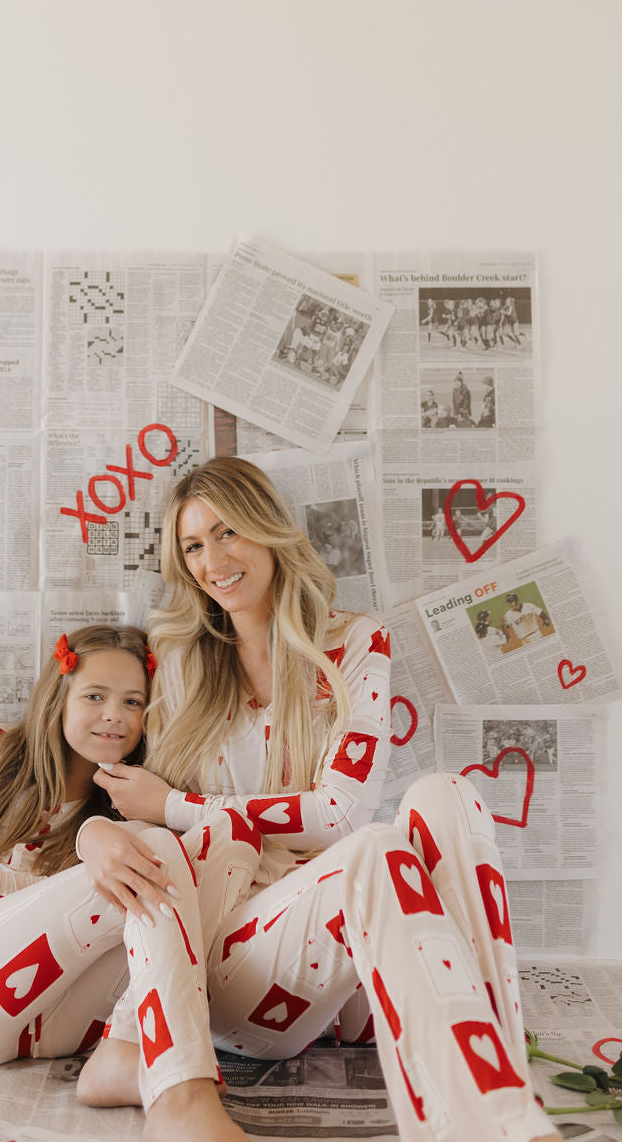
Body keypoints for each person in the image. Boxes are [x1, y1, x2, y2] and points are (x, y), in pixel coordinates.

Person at [76, 459, 560, 1142]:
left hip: (342, 960)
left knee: (444, 795)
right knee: (372, 853)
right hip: (235, 966)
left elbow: (338, 811)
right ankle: (500, 1126)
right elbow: (103, 781)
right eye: (192, 546)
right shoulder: (177, 660)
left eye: (228, 532)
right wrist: (92, 835)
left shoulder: (355, 642)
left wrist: (179, 805)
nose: (214, 560)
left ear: (268, 531)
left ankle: (497, 1086)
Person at [0, 623, 262, 1069]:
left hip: (66, 1025)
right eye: (95, 696)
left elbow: (69, 907)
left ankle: (134, 1050)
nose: (114, 714)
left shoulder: (133, 803)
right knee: (146, 849)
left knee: (226, 836)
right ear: (59, 698)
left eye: (132, 702)